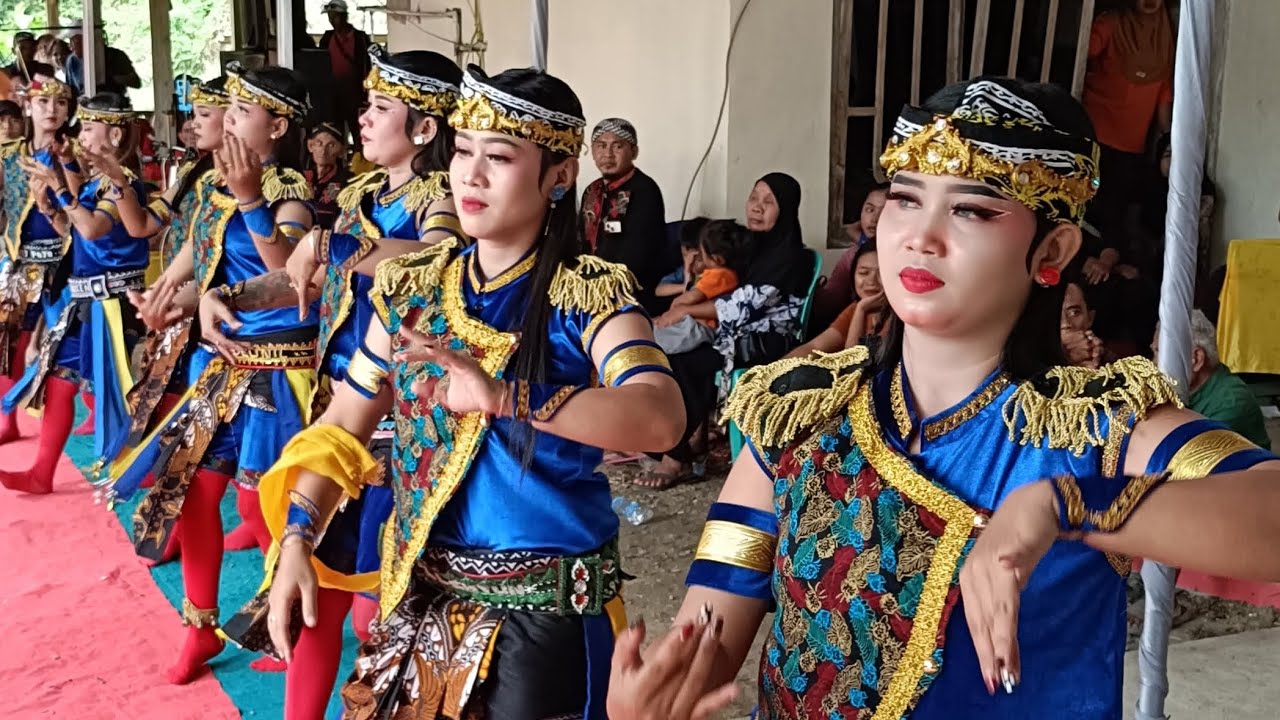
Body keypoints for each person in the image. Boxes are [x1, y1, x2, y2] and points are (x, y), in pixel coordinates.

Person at [604, 76, 1280, 720]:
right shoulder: (802, 413)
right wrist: (652, 701)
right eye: (905, 199)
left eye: (972, 209)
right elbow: (703, 644)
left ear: (1053, 248)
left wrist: (1062, 506)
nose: (920, 237)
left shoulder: (1093, 429)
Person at [259, 64, 684, 719]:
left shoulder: (588, 295)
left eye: (500, 158)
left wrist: (505, 397)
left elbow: (660, 417)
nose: (471, 175)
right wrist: (297, 537)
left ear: (559, 176)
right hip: (420, 601)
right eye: (462, 152)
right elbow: (343, 422)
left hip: (541, 622)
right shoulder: (413, 288)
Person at [200, 47, 465, 720]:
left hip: (406, 427)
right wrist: (226, 294)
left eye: (381, 108)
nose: (363, 118)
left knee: (391, 609)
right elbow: (304, 283)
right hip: (342, 412)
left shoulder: (440, 200)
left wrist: (330, 244)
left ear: (425, 129)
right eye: (367, 105)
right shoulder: (359, 197)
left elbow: (437, 259)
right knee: (316, 595)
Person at [105, 63, 316, 685]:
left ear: (277, 128)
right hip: (218, 361)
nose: (227, 120)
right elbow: (196, 253)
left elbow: (291, 276)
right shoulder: (214, 184)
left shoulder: (289, 191)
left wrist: (250, 199)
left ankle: (286, 620)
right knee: (190, 492)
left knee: (260, 503)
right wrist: (165, 296)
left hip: (275, 368)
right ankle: (198, 624)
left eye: (242, 111)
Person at [0, 92, 151, 495]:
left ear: (115, 136)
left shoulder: (122, 184)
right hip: (86, 301)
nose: (81, 135)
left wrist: (59, 188)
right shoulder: (95, 182)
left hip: (113, 303)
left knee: (120, 389)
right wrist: (50, 206)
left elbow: (92, 229)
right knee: (59, 383)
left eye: (89, 128)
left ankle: (140, 468)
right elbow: (72, 232)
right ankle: (41, 471)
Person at [93, 77, 230, 496]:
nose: (193, 123)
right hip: (182, 296)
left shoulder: (265, 184)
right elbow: (142, 225)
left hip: (221, 305)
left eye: (204, 114)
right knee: (165, 393)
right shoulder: (194, 173)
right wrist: (119, 183)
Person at [641, 173, 815, 488]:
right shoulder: (748, 247)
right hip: (732, 335)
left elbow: (742, 306)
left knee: (686, 360)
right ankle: (691, 440)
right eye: (754, 198)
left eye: (769, 202)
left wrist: (685, 310)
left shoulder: (790, 257)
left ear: (786, 209)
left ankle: (674, 456)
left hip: (765, 340)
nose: (757, 207)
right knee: (678, 354)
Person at [0, 66, 72, 449]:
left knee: (63, 352)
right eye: (44, 101)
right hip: (20, 262)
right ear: (28, 106)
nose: (52, 110)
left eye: (60, 102)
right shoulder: (8, 155)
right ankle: (7, 420)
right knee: (8, 345)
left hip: (65, 265)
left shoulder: (73, 156)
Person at [1082, 0, 1173, 277]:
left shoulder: (1165, 38)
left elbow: (1164, 98)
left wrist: (1170, 139)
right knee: (1083, 206)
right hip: (1094, 134)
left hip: (1131, 147)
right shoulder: (1111, 24)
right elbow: (1080, 52)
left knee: (1115, 214)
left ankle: (1105, 270)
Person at [580, 117, 669, 314]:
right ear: (592, 151)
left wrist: (603, 286)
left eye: (617, 146)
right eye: (601, 146)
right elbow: (580, 239)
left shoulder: (644, 190)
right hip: (590, 286)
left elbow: (639, 254)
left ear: (634, 152)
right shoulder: (592, 191)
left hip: (629, 292)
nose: (608, 154)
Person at [1153, 310, 1270, 449]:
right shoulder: (1186, 389)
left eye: (1160, 354)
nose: (1153, 364)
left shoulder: (1231, 403)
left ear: (1196, 359)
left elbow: (1179, 452)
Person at [653, 219, 748, 356]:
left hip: (699, 328)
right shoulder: (726, 274)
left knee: (654, 343)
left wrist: (675, 307)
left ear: (716, 259)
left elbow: (690, 298)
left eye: (702, 254)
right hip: (694, 323)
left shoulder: (719, 275)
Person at [786, 241, 885, 358]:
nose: (871, 281)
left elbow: (854, 361)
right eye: (863, 273)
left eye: (881, 274)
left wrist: (861, 310)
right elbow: (814, 347)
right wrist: (775, 367)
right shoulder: (855, 308)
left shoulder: (898, 316)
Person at [815, 183, 888, 330]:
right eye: (869, 210)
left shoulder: (910, 257)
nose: (874, 218)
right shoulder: (853, 255)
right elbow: (830, 303)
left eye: (885, 211)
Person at [319, 0, 372, 150]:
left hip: (355, 92)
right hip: (333, 93)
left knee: (358, 130)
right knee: (334, 131)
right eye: (330, 17)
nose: (331, 20)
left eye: (334, 16)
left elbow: (368, 65)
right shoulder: (327, 38)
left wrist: (366, 91)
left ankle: (360, 157)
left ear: (344, 16)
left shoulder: (360, 38)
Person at [303, 122, 349, 230]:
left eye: (331, 145)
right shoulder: (300, 177)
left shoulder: (347, 181)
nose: (323, 151)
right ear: (310, 146)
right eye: (319, 143)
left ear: (341, 150)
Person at [656, 216, 710, 300]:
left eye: (698, 259)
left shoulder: (715, 274)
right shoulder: (684, 270)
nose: (691, 262)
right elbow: (659, 290)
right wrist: (686, 281)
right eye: (685, 256)